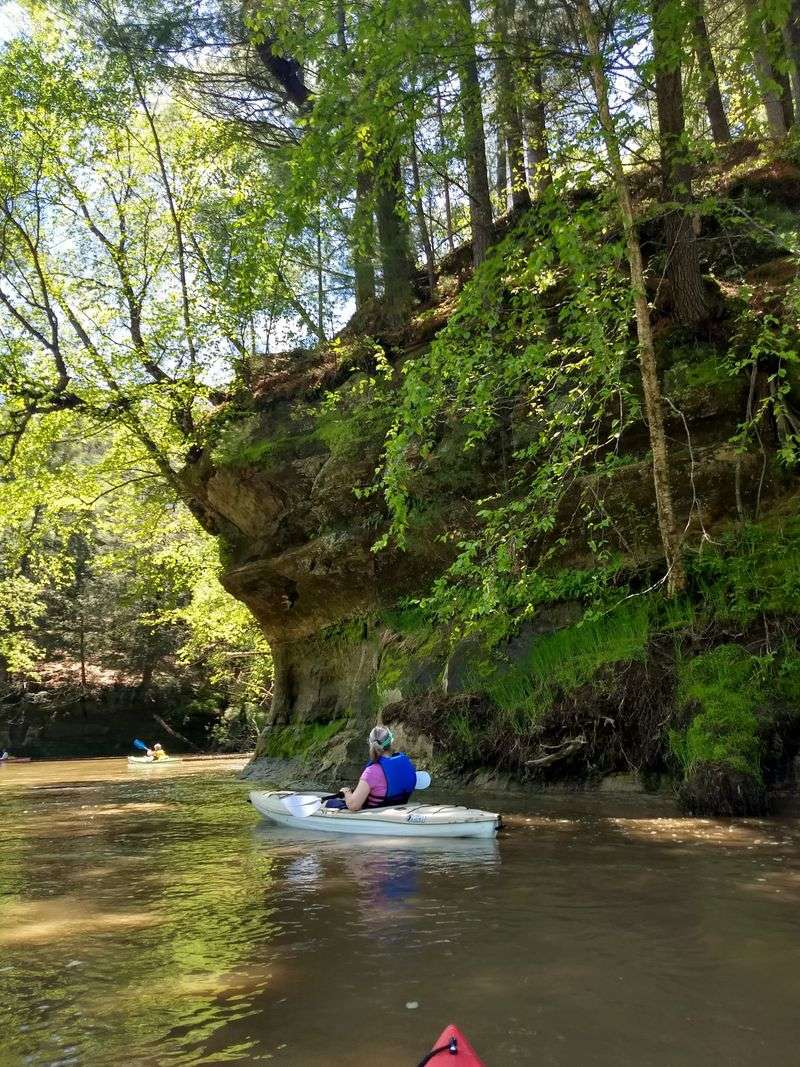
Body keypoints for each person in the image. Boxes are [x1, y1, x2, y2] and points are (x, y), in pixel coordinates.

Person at [327, 726, 416, 811]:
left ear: (371, 744)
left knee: (330, 803)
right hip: (401, 805)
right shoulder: (405, 762)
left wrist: (346, 792)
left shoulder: (371, 772)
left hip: (377, 811)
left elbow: (353, 806)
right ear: (391, 742)